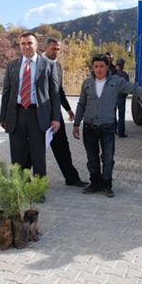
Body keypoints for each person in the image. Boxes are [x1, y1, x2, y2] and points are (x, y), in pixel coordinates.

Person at [73, 54, 142, 198]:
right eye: (96, 66)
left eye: (102, 66)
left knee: (108, 158)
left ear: (107, 67)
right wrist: (76, 124)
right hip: (89, 126)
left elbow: (134, 89)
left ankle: (106, 185)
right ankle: (94, 183)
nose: (99, 69)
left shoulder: (116, 82)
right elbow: (81, 104)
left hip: (107, 127)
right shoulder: (86, 83)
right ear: (92, 67)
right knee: (92, 158)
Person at [0, 32, 60, 181]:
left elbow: (55, 94)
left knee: (38, 154)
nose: (26, 46)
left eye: (29, 43)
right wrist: (3, 116)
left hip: (37, 115)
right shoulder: (12, 65)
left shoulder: (48, 65)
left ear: (36, 45)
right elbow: (6, 92)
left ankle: (38, 189)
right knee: (17, 154)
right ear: (20, 46)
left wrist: (56, 118)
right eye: (23, 44)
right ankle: (19, 188)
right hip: (17, 113)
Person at [43, 37, 88, 187]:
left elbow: (59, 91)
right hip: (38, 114)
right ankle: (27, 181)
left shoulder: (57, 67)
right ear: (46, 48)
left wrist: (68, 109)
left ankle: (71, 178)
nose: (56, 52)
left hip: (55, 115)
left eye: (58, 49)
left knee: (62, 146)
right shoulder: (38, 64)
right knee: (34, 149)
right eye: (53, 49)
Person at [115, 58, 129, 138]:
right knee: (121, 115)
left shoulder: (111, 74)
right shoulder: (125, 75)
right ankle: (121, 133)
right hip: (121, 97)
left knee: (112, 114)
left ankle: (113, 130)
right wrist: (125, 95)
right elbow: (127, 87)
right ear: (122, 65)